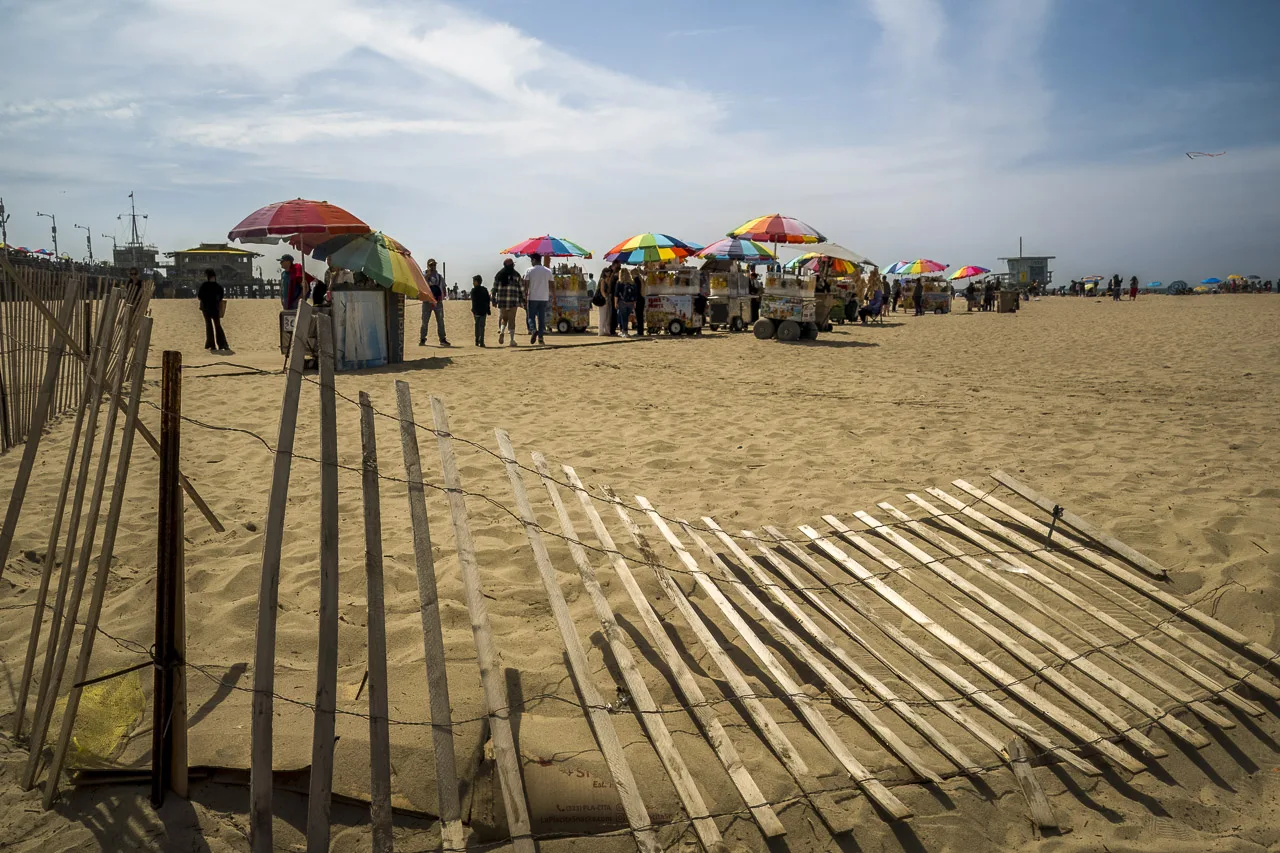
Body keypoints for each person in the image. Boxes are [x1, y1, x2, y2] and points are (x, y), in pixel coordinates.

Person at [492, 257, 524, 346]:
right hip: (513, 301)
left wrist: (493, 299)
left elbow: (494, 288)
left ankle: (502, 331)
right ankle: (512, 340)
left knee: (504, 319)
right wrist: (522, 299)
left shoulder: (499, 275)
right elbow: (521, 288)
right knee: (512, 320)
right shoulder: (516, 275)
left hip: (502, 301)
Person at [523, 252, 553, 345]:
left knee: (530, 317)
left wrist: (524, 295)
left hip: (533, 297)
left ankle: (533, 330)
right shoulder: (548, 271)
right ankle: (540, 338)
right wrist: (554, 297)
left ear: (534, 260)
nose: (531, 262)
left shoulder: (529, 270)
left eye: (531, 260)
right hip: (544, 297)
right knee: (541, 318)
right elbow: (552, 285)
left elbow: (526, 284)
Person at [198, 268, 230, 352]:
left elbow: (221, 295)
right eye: (211, 277)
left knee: (217, 326)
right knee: (210, 326)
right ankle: (212, 345)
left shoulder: (216, 286)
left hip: (213, 308)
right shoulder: (206, 285)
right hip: (207, 308)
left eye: (213, 277)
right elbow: (200, 296)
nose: (212, 278)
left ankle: (222, 344)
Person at [420, 259, 450, 346]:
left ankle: (442, 339)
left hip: (438, 302)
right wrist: (427, 276)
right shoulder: (424, 275)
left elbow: (443, 288)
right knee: (425, 321)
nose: (433, 267)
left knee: (440, 321)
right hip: (427, 301)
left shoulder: (439, 277)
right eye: (431, 265)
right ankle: (422, 339)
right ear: (428, 266)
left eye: (434, 265)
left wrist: (442, 296)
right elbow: (421, 283)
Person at [469, 274, 490, 346]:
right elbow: (487, 300)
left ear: (477, 282)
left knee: (478, 326)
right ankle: (480, 341)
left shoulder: (474, 290)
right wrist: (488, 309)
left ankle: (479, 340)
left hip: (479, 311)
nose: (473, 283)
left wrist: (488, 309)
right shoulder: (484, 290)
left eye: (474, 281)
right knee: (481, 326)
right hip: (481, 311)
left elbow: (486, 300)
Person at [616, 268, 638, 337]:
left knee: (623, 317)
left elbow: (616, 294)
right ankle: (624, 331)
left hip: (622, 302)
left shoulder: (619, 283)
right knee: (626, 316)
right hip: (631, 303)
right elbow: (635, 294)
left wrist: (615, 303)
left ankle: (625, 332)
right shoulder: (632, 283)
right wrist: (634, 303)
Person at [595, 263, 614, 337]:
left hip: (607, 298)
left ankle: (605, 330)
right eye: (607, 272)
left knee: (607, 316)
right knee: (602, 316)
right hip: (603, 299)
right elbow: (602, 290)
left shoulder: (606, 280)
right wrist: (605, 298)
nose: (608, 273)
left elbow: (608, 290)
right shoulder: (602, 280)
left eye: (609, 272)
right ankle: (601, 331)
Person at [631, 268, 646, 335]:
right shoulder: (640, 280)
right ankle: (640, 331)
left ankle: (639, 331)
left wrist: (634, 301)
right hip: (642, 299)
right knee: (640, 316)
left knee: (638, 316)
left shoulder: (636, 280)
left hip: (638, 300)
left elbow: (636, 292)